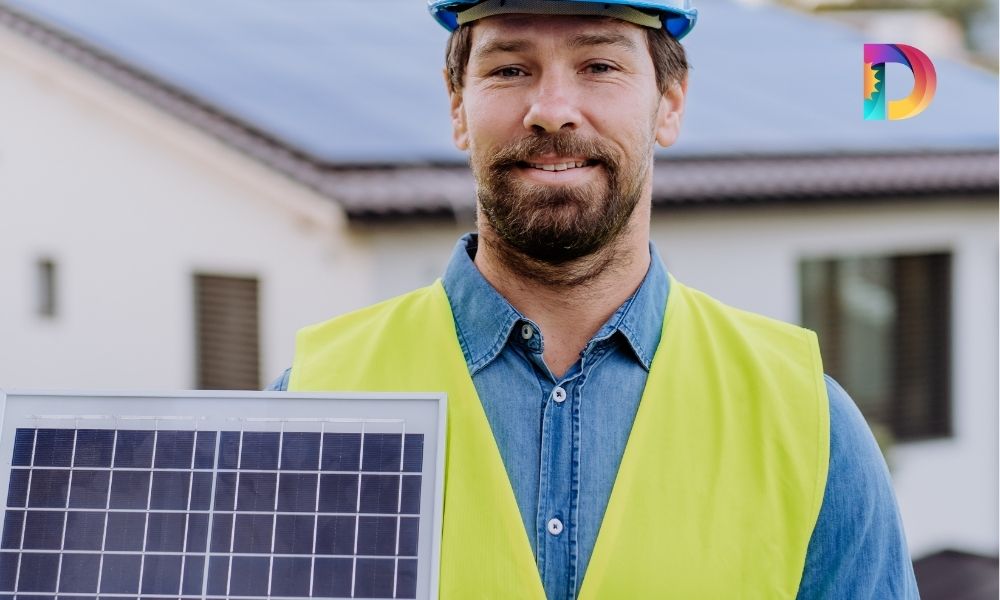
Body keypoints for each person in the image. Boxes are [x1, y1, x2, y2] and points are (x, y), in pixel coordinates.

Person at [270, 0, 919, 597]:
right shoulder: (308, 408)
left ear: (670, 102)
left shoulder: (809, 426)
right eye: (510, 68)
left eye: (599, 64)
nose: (551, 109)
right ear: (457, 107)